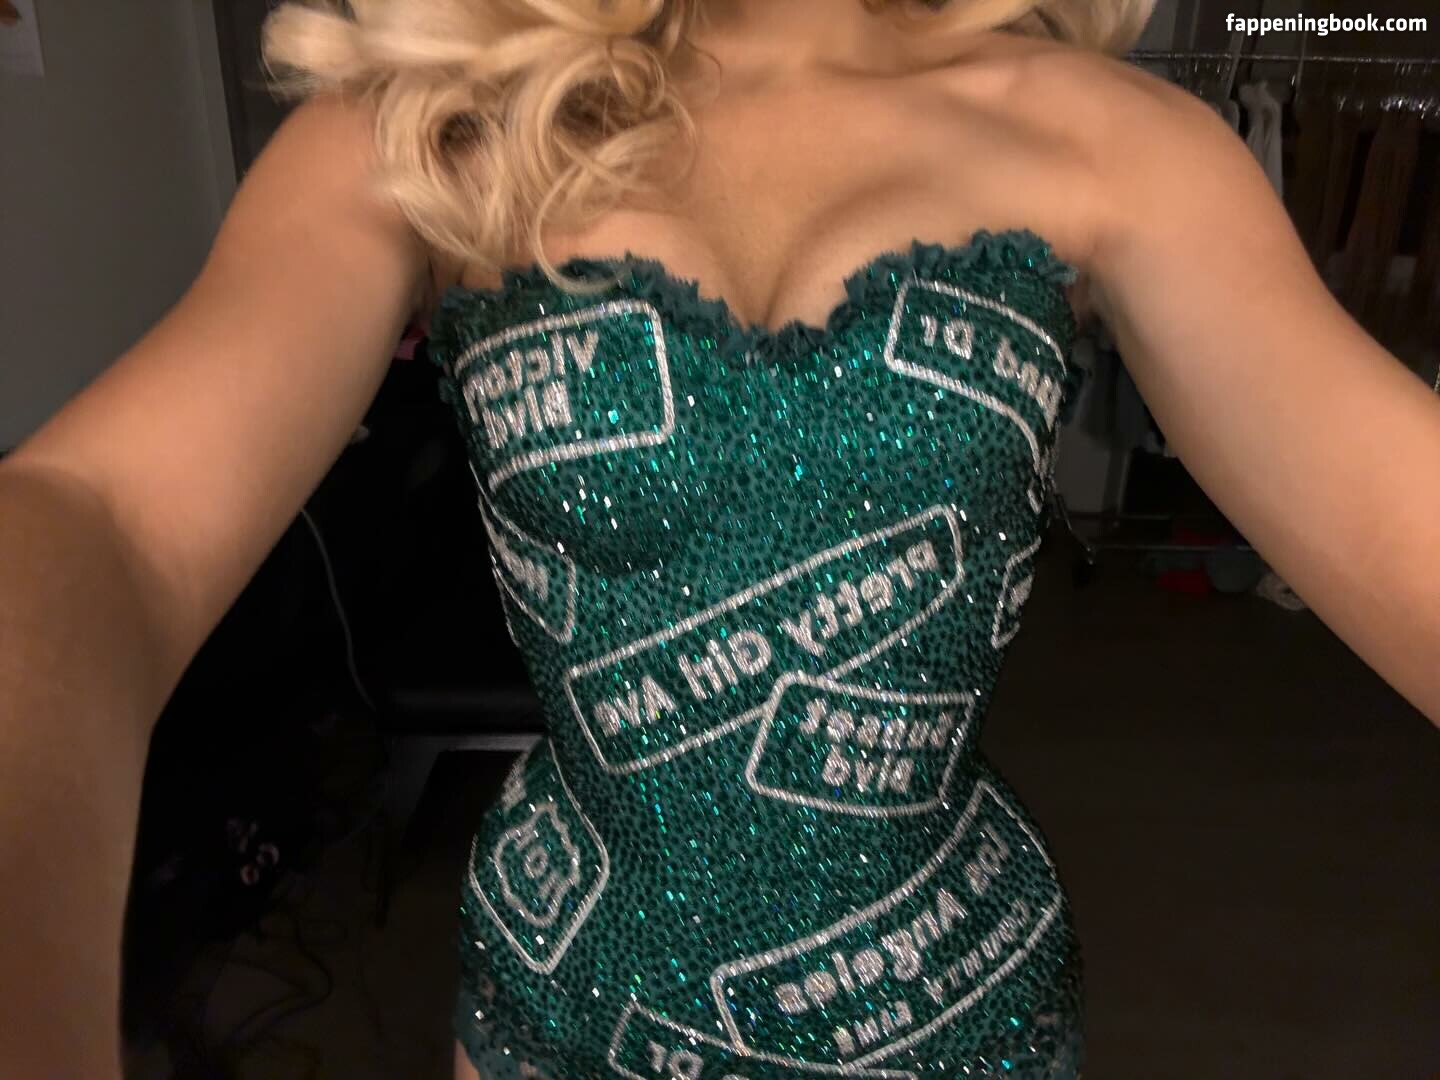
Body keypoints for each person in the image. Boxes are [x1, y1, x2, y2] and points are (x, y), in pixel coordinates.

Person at [1, 0, 1437, 1076]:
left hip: (951, 1010)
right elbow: (104, 520)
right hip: (564, 1012)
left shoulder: (1114, 143)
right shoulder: (427, 128)